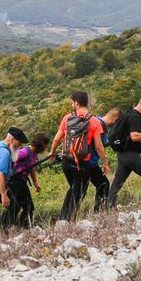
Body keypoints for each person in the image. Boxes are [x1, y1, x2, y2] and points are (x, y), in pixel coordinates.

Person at [49, 92, 109, 221]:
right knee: (78, 192)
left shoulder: (67, 118)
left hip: (66, 161)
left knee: (74, 189)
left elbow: (57, 139)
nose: (72, 105)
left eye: (72, 102)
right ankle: (67, 220)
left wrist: (52, 152)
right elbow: (98, 146)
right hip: (82, 163)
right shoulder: (94, 121)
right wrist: (105, 163)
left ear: (76, 103)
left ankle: (64, 219)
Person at [107, 96, 141, 208]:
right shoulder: (136, 117)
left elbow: (133, 128)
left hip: (122, 154)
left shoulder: (129, 114)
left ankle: (109, 206)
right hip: (130, 154)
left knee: (118, 183)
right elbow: (135, 136)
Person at [2, 132, 50, 229]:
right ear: (40, 145)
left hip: (21, 181)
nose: (45, 148)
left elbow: (31, 167)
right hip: (15, 181)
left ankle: (12, 225)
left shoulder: (33, 154)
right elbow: (9, 159)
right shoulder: (25, 152)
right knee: (26, 206)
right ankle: (23, 226)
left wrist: (35, 182)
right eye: (45, 145)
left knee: (20, 206)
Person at [89, 108, 121, 211]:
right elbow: (98, 146)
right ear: (115, 120)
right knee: (103, 184)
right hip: (89, 162)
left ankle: (99, 210)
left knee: (102, 184)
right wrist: (105, 163)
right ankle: (99, 212)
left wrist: (103, 157)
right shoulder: (100, 125)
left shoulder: (97, 119)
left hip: (86, 161)